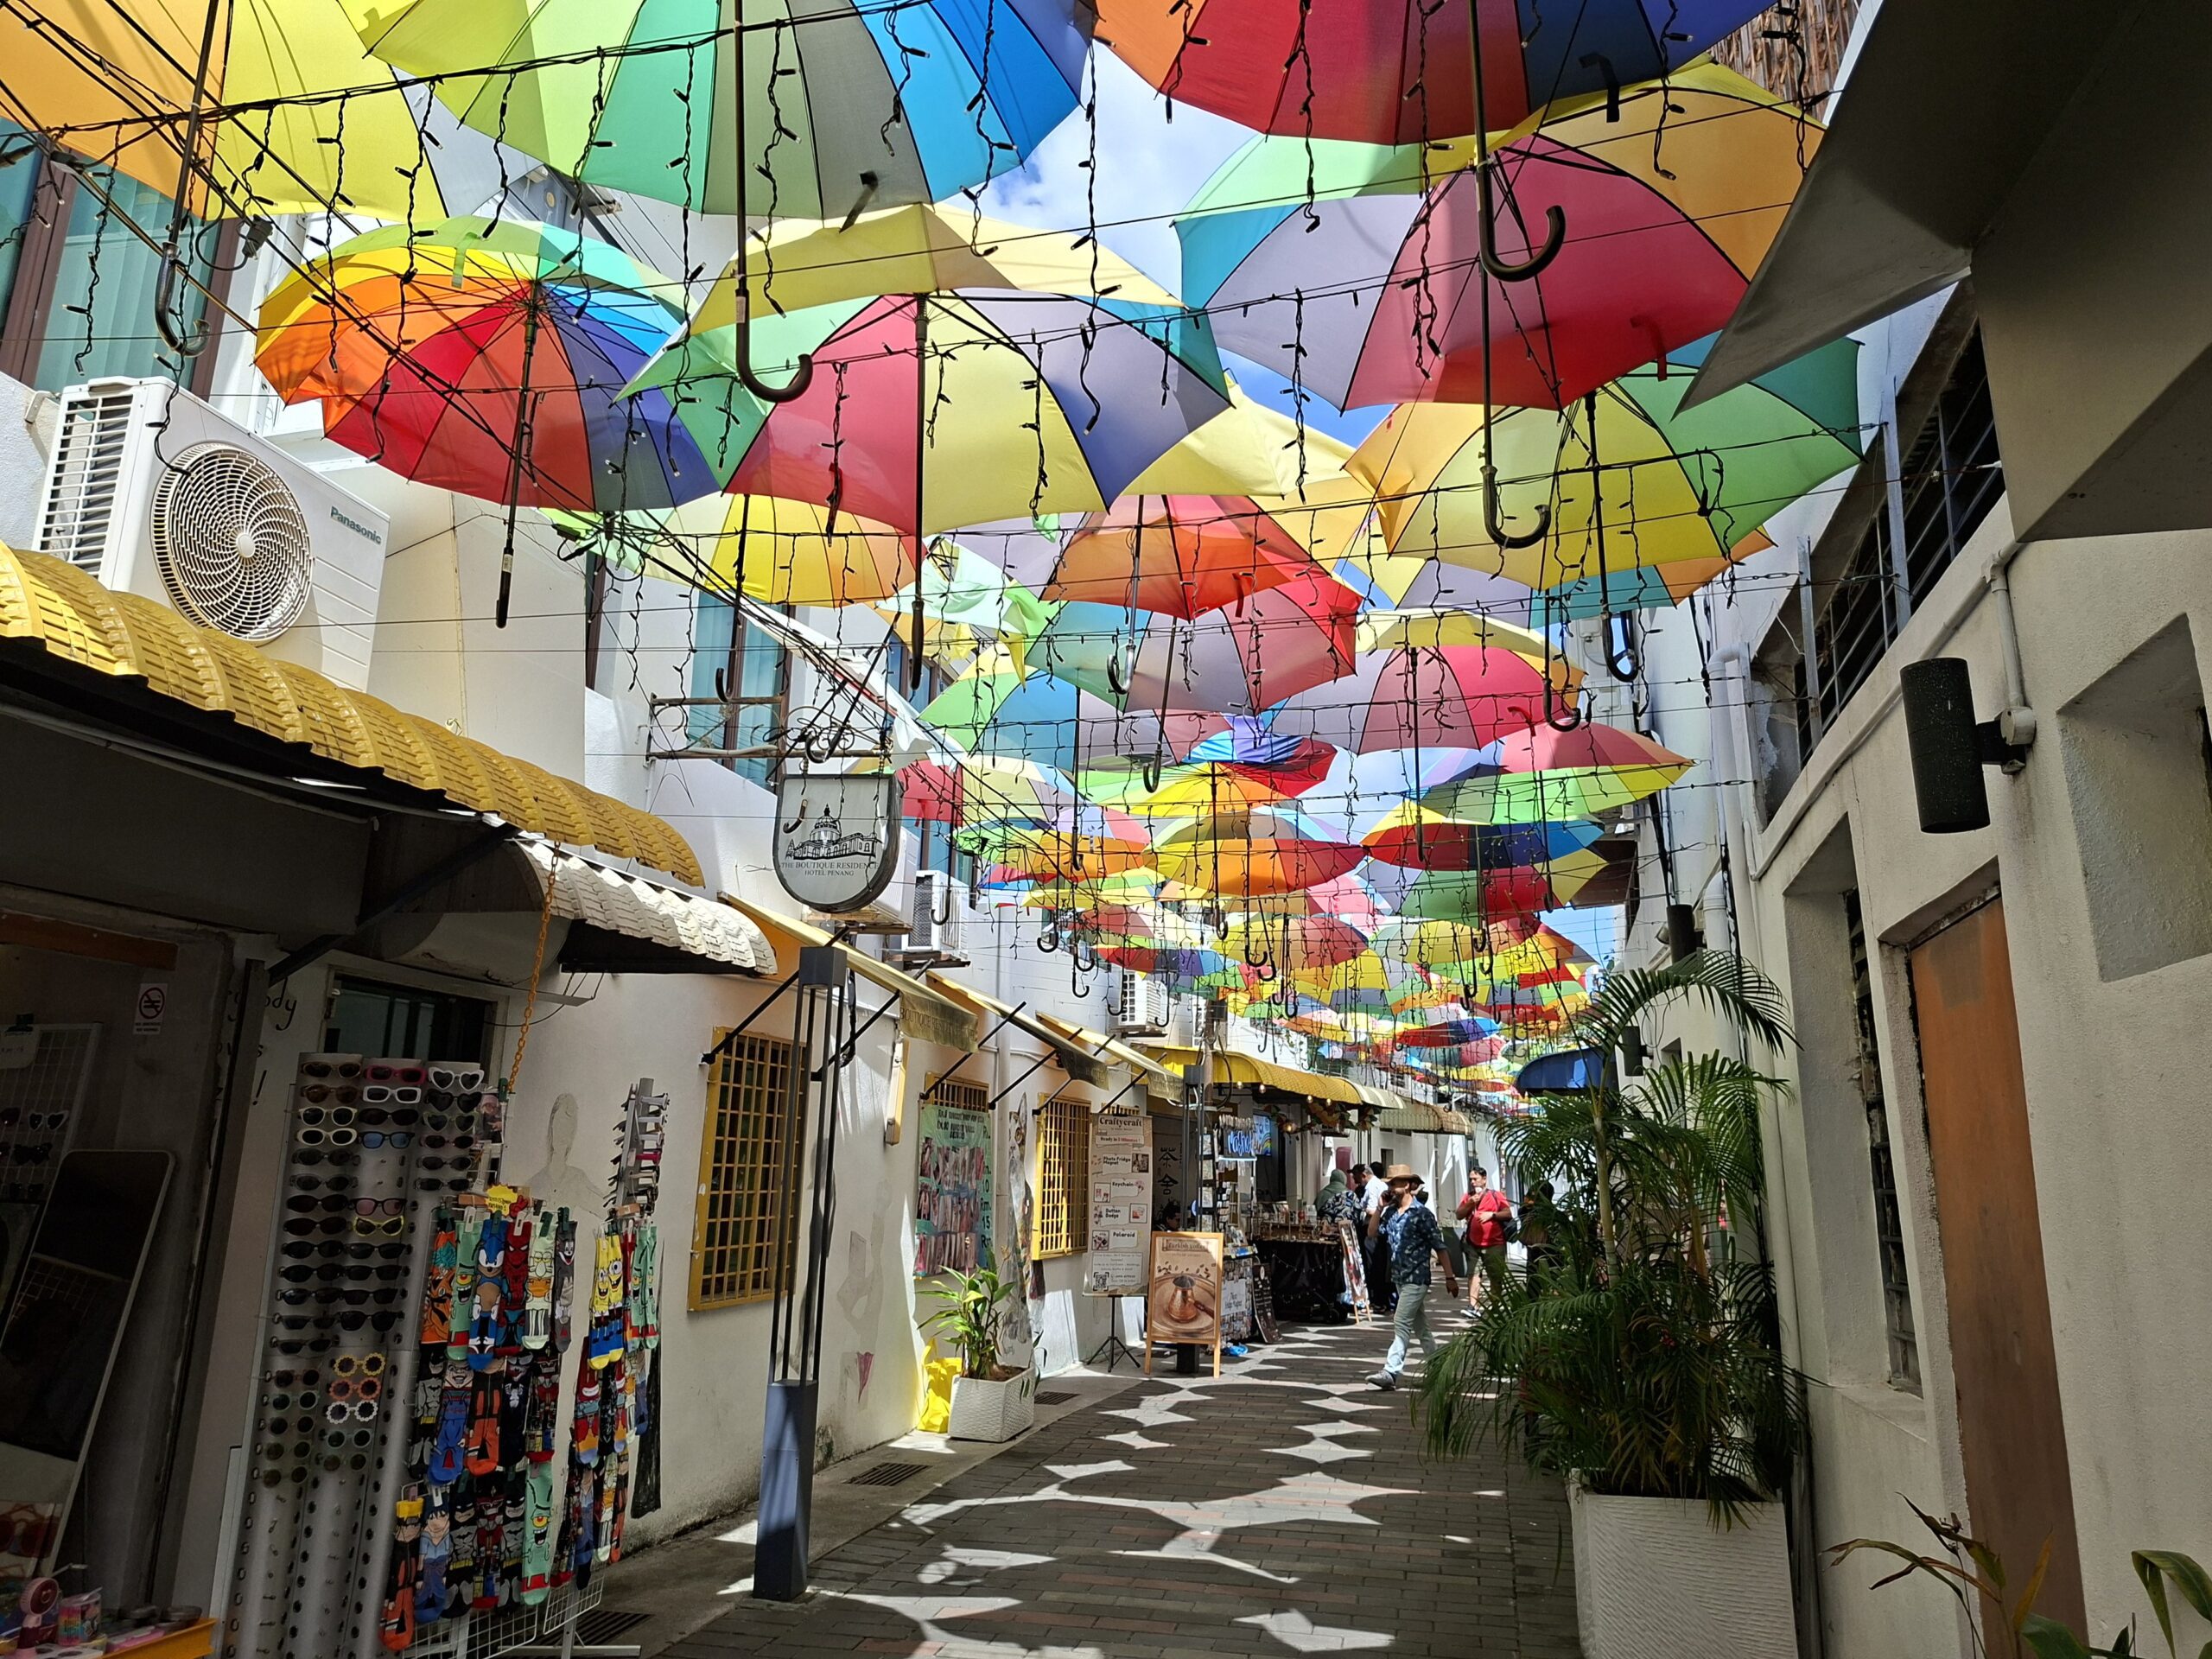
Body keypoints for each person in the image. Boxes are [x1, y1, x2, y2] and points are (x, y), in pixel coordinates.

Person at [1367, 1165, 1457, 1389]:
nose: (1391, 1188)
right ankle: (1439, 1370)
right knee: (1421, 1327)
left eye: (1394, 1184)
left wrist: (1450, 1277)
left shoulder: (1422, 1214)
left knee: (1401, 1321)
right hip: (1399, 1277)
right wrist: (1379, 1208)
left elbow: (1440, 1246)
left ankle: (1391, 1370)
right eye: (1389, 1184)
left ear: (1407, 1186)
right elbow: (1371, 1233)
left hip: (1417, 1278)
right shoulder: (1390, 1213)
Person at [1458, 1166, 1514, 1305]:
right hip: (1473, 1243)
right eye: (1471, 1179)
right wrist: (1470, 1204)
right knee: (1474, 1275)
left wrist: (1492, 1215)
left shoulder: (1496, 1195)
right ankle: (1473, 1306)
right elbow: (1459, 1214)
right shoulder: (1469, 1197)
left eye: (1475, 1179)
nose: (1473, 1182)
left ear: (1484, 1180)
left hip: (1494, 1244)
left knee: (1496, 1276)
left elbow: (1508, 1213)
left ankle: (1496, 1305)